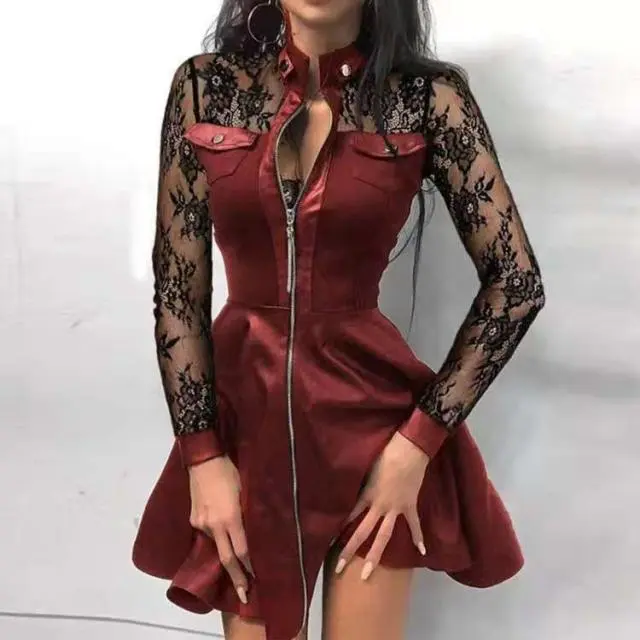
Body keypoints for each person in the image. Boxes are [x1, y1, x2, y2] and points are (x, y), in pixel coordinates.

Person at [132, 0, 546, 638]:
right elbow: (178, 291)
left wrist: (415, 447)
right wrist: (202, 456)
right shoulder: (206, 87)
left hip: (376, 432)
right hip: (245, 428)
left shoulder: (426, 98)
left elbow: (516, 284)